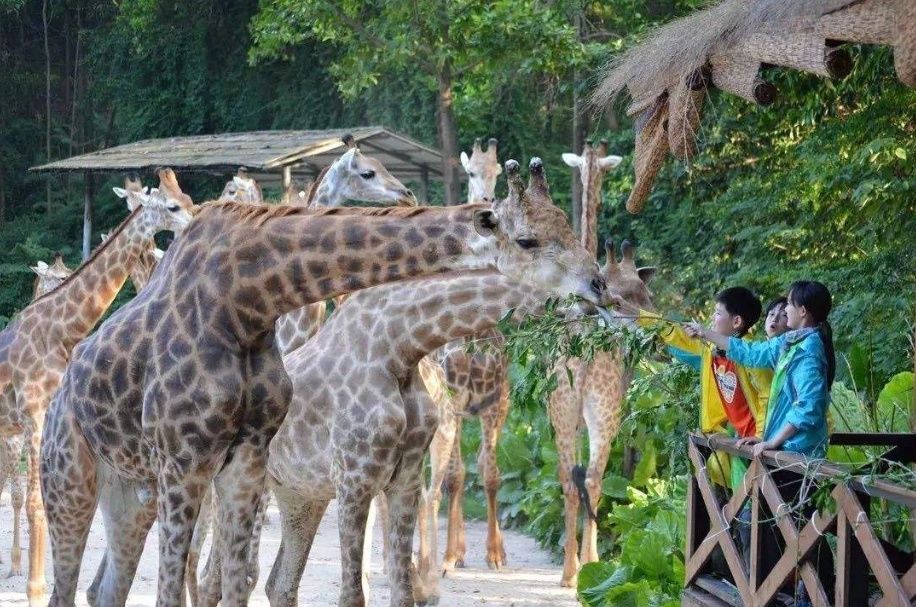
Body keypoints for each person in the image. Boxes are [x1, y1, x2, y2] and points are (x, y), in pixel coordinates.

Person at [687, 280, 835, 605]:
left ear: (803, 313)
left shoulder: (809, 353)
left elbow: (808, 409)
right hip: (786, 452)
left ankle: (810, 597)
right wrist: (704, 333)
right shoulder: (789, 344)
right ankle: (792, 595)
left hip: (799, 455)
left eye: (790, 307)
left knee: (803, 528)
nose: (784, 311)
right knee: (792, 527)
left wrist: (773, 442)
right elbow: (750, 352)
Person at [638, 287, 770, 488]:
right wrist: (631, 312)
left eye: (717, 313)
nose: (711, 317)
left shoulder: (752, 353)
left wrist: (760, 435)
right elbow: (671, 331)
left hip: (758, 443)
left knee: (755, 502)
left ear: (736, 322)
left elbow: (768, 396)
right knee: (740, 499)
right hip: (736, 440)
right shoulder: (711, 348)